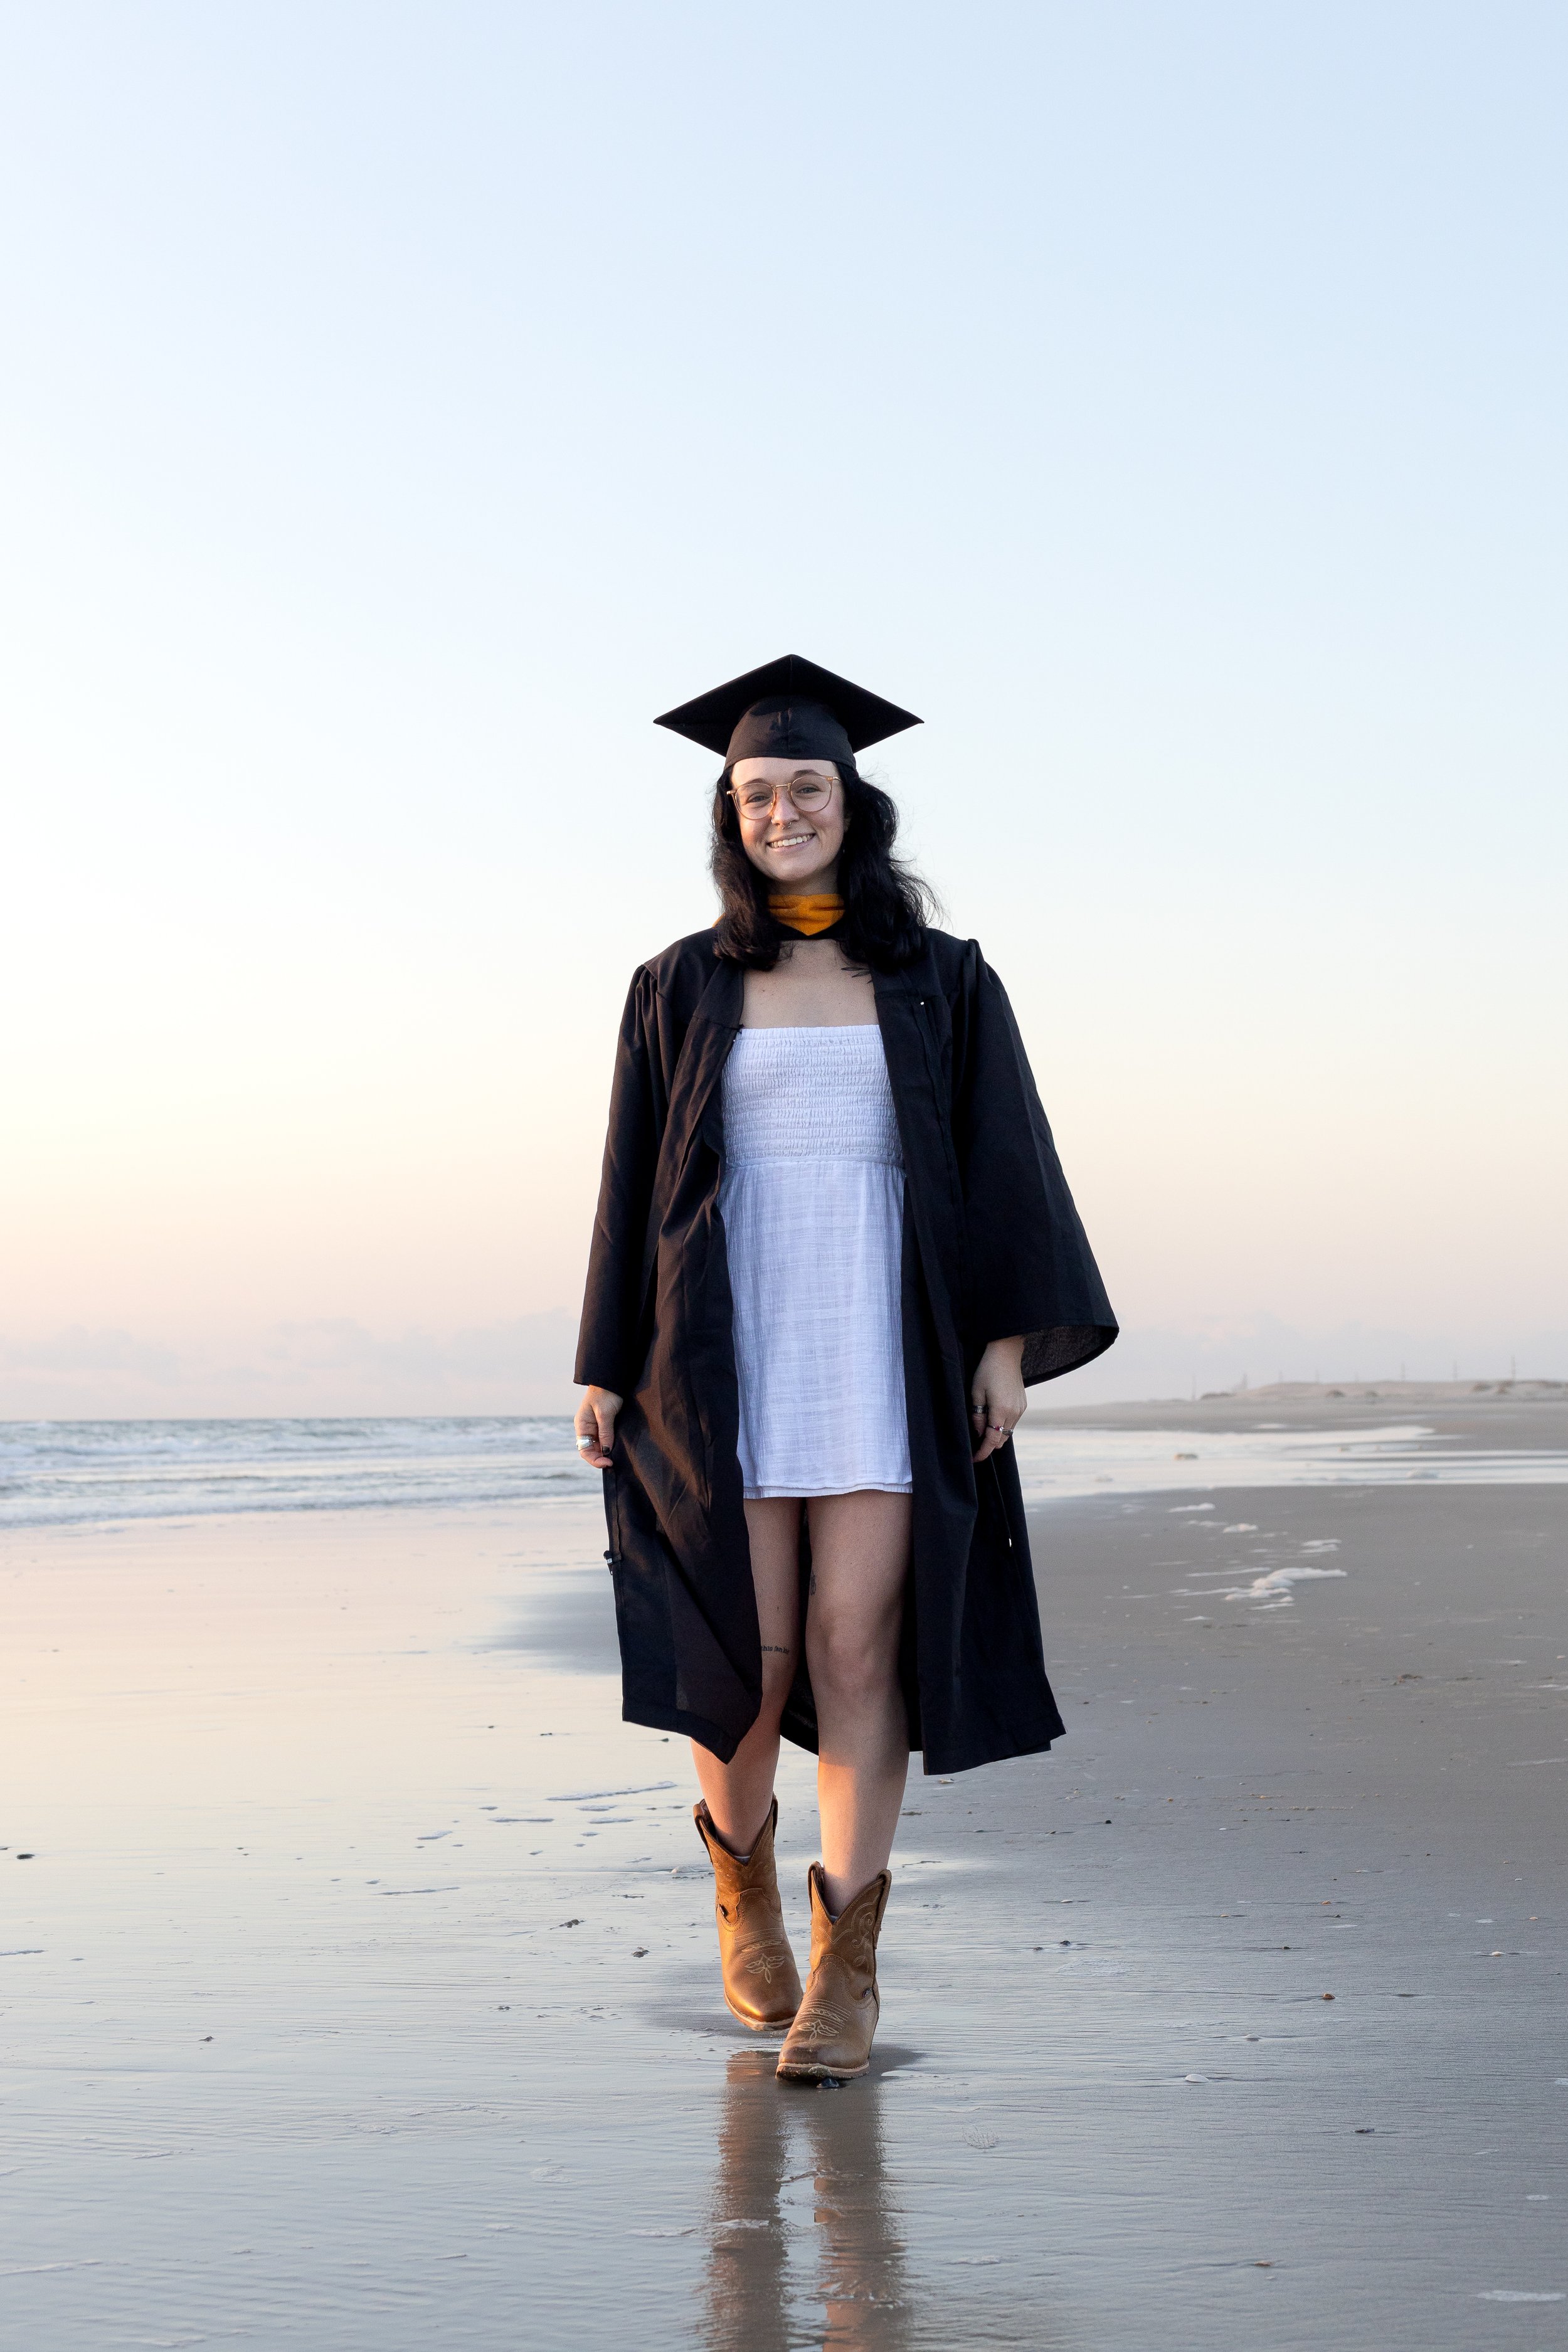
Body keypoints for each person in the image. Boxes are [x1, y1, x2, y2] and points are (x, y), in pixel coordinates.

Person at [574, 654, 1115, 2082]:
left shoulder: (943, 981)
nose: (780, 812)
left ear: (851, 802)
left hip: (883, 1339)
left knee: (854, 1645)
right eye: (754, 794)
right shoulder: (678, 984)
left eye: (804, 787)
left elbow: (1008, 1164)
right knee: (739, 1661)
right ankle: (739, 1886)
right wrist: (602, 1365)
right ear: (728, 814)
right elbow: (631, 1180)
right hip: (717, 1347)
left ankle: (843, 1969)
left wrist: (1002, 1345)